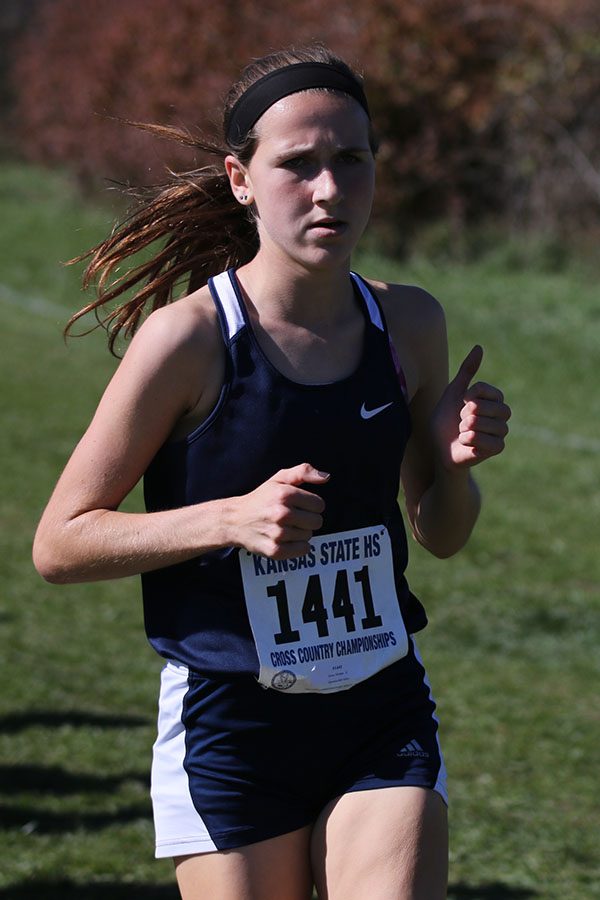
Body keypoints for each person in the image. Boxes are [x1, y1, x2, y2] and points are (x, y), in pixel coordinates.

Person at [33, 44, 511, 900]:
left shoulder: (408, 323)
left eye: (351, 161)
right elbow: (60, 543)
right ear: (241, 178)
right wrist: (228, 519)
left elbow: (439, 533)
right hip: (231, 724)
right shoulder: (188, 341)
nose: (329, 189)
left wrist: (454, 465)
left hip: (380, 705)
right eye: (298, 165)